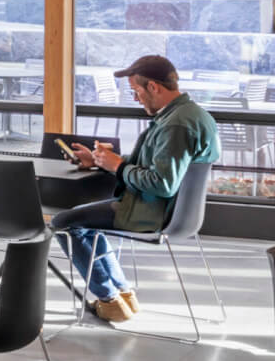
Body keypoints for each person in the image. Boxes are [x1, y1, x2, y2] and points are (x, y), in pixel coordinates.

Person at [52, 55, 219, 322]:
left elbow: (162, 184)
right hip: (171, 211)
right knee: (85, 221)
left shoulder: (176, 124)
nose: (135, 98)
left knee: (63, 222)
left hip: (152, 212)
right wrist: (101, 161)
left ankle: (109, 299)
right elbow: (157, 165)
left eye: (136, 91)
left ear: (153, 87)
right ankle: (122, 293)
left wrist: (118, 167)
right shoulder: (189, 115)